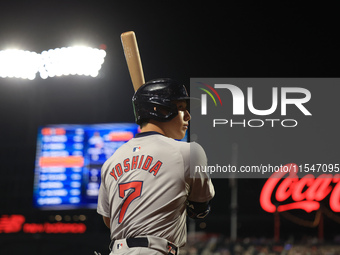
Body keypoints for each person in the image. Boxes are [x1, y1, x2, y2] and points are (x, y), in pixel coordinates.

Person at [97, 78, 215, 255]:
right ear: (161, 109)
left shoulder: (111, 161)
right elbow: (200, 209)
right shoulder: (188, 151)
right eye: (182, 108)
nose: (188, 116)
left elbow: (108, 220)